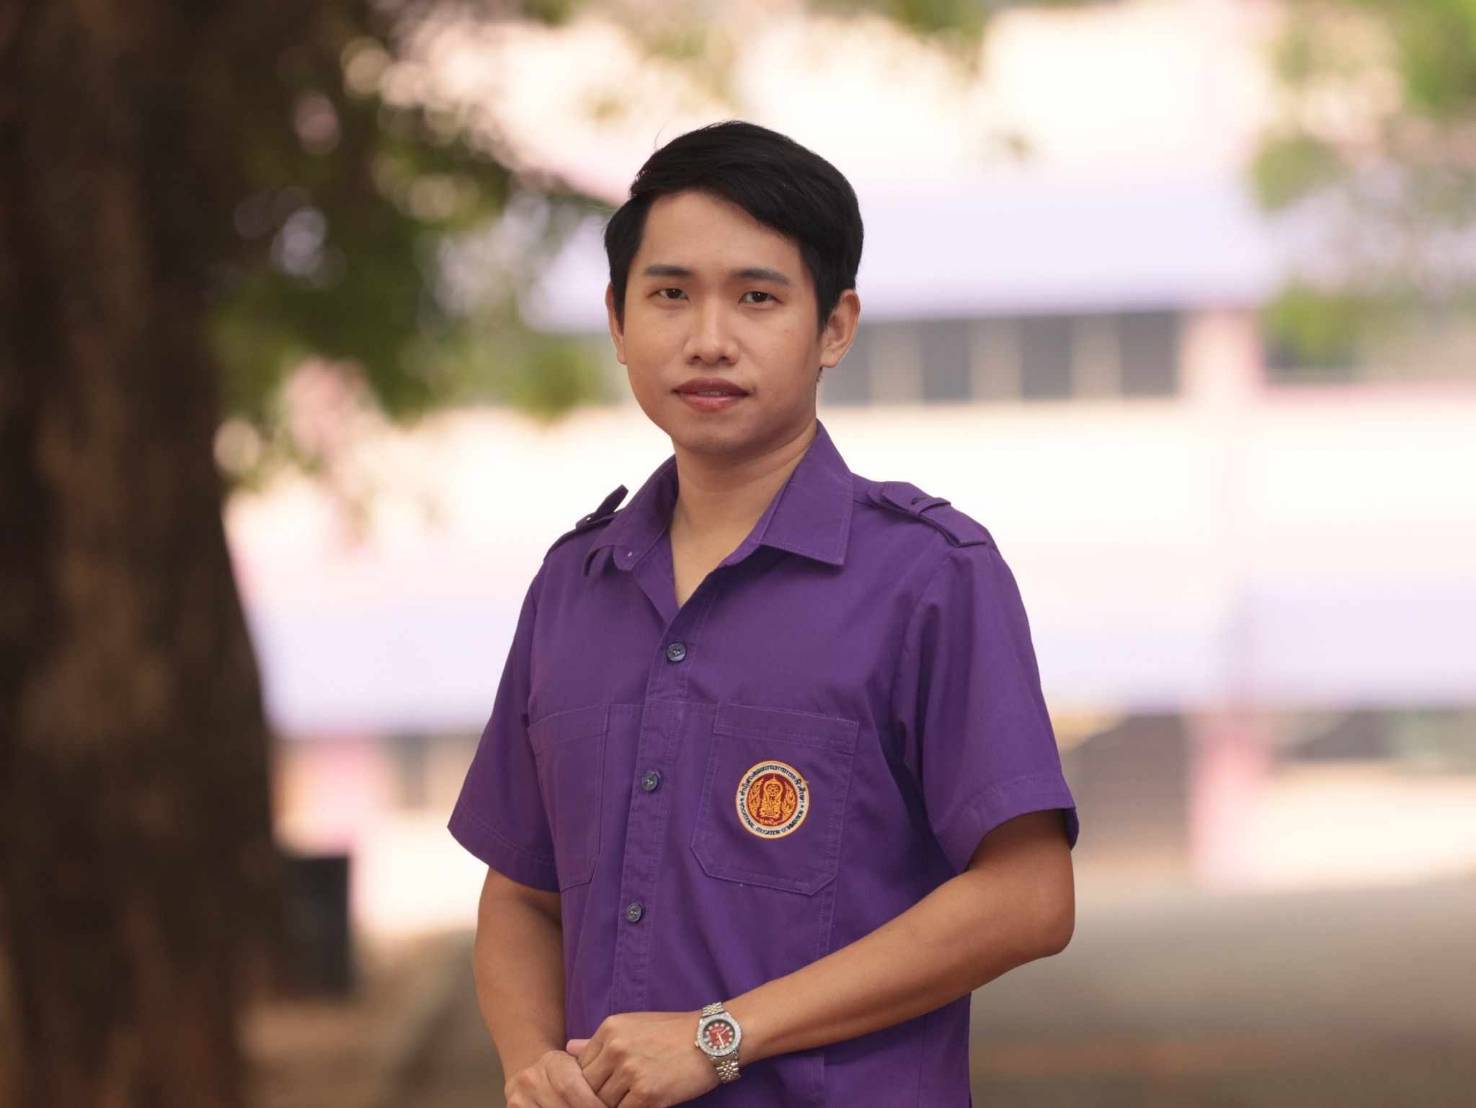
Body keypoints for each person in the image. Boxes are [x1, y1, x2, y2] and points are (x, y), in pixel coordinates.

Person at [447, 119, 1080, 1108]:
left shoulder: (928, 578)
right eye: (669, 294)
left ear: (834, 327)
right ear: (617, 320)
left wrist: (721, 1037)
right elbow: (524, 894)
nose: (709, 339)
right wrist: (532, 1064)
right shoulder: (574, 587)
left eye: (757, 297)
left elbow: (1030, 896)